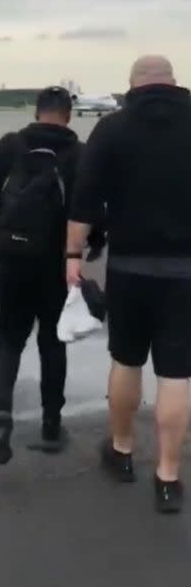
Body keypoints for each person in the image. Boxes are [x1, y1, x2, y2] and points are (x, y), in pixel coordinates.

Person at [67, 55, 191, 515]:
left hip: (130, 268)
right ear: (174, 82)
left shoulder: (112, 129)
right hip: (186, 271)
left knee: (126, 360)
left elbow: (84, 199)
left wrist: (73, 256)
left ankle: (121, 452)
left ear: (133, 84)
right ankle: (168, 478)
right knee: (177, 375)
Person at [0, 86, 105, 464]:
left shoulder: (13, 144)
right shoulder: (78, 153)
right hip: (56, 263)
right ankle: (50, 423)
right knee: (51, 341)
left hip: (11, 257)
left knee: (8, 338)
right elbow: (90, 204)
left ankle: (1, 417)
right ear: (68, 115)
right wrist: (94, 242)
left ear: (36, 111)